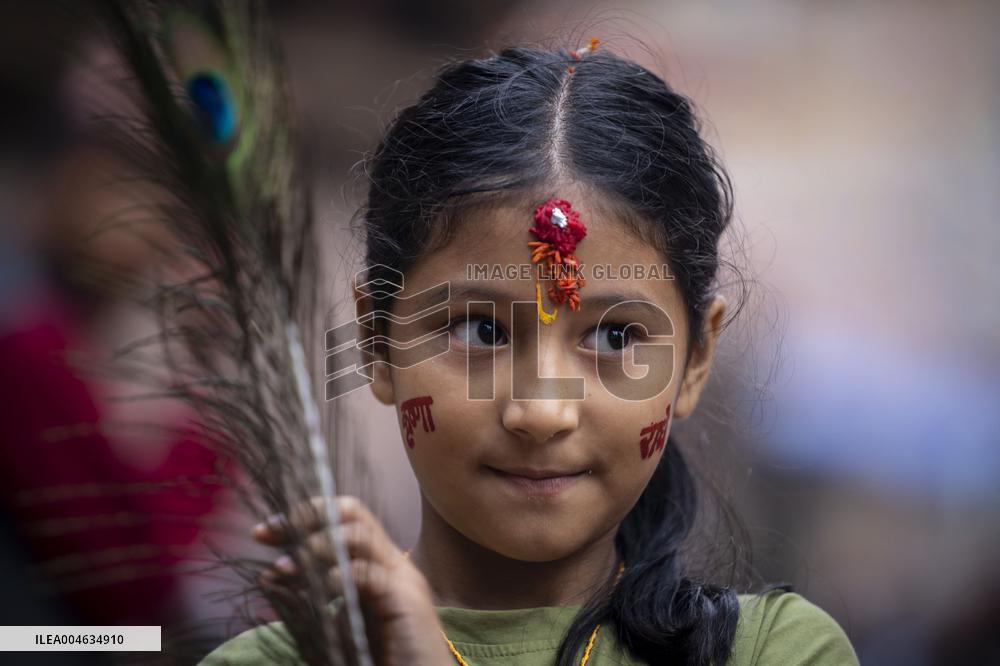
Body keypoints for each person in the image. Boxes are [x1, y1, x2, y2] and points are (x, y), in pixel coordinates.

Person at [200, 43, 858, 665]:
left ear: (695, 360)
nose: (542, 412)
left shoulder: (775, 652)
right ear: (376, 342)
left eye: (613, 339)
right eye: (480, 332)